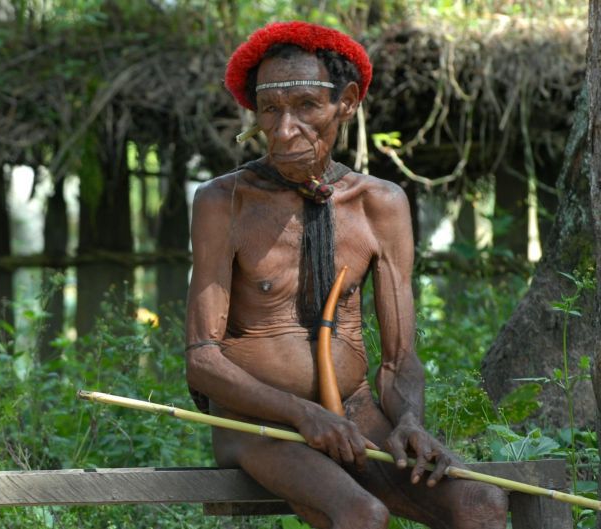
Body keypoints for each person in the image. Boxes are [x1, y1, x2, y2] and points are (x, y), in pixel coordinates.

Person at [184, 21, 507, 529]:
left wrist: (407, 422)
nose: (285, 129)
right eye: (271, 110)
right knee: (361, 514)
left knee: (481, 505)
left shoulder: (380, 204)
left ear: (348, 101)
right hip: (255, 425)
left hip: (356, 415)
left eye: (307, 106)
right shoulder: (225, 202)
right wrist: (301, 412)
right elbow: (202, 361)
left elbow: (399, 360)